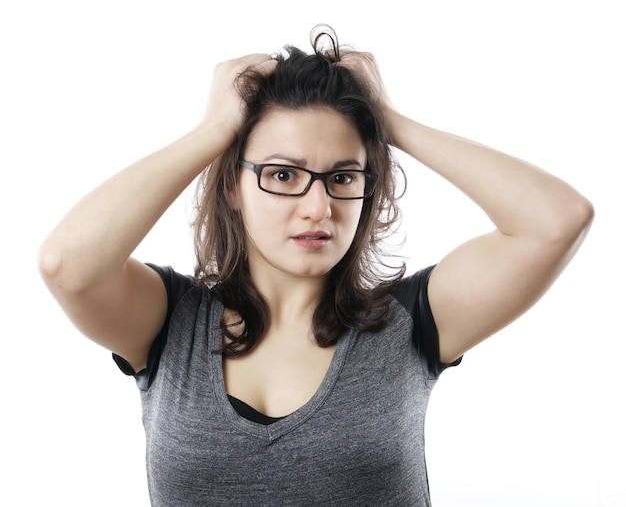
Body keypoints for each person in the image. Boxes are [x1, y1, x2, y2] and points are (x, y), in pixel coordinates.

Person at [38, 26, 593, 506]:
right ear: (233, 185)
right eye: (282, 175)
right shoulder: (168, 320)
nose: (318, 207)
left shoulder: (411, 321)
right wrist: (211, 133)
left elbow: (558, 221)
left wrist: (389, 122)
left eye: (343, 176)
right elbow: (67, 265)